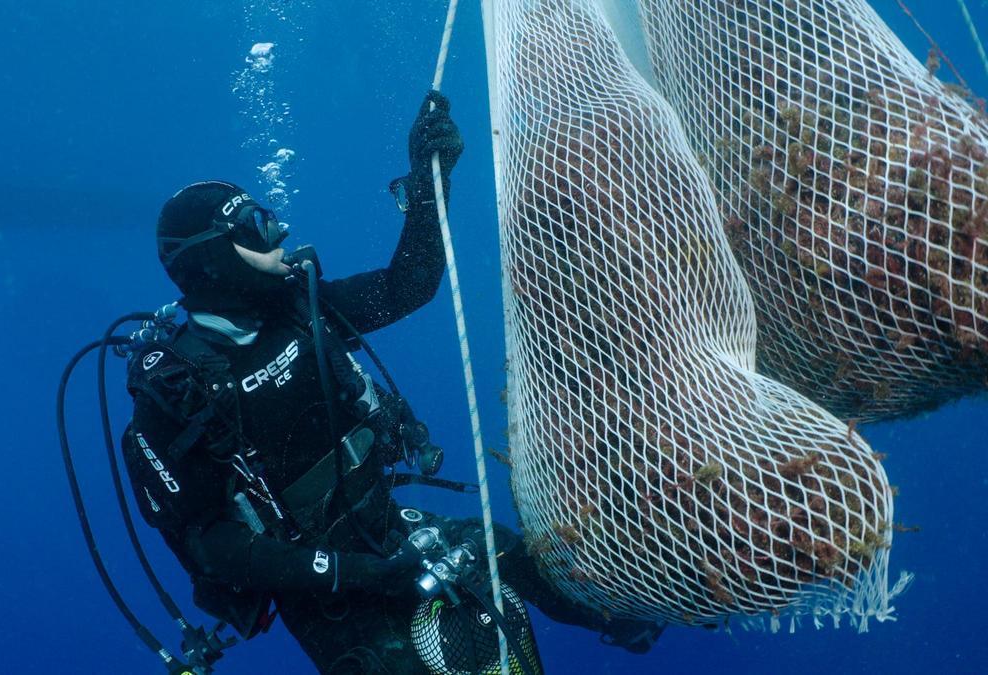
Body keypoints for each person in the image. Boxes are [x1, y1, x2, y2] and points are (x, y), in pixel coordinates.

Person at [121, 91, 661, 674]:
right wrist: (357, 574)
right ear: (211, 259)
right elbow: (214, 548)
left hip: (384, 523)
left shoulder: (303, 310)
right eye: (256, 228)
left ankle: (638, 614)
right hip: (322, 586)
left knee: (505, 555)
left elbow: (410, 284)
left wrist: (430, 182)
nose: (279, 236)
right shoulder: (175, 388)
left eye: (271, 218)